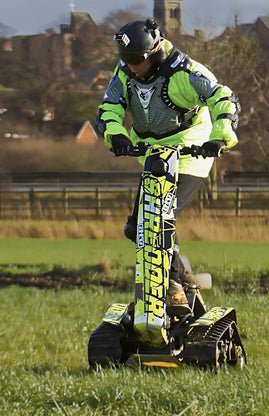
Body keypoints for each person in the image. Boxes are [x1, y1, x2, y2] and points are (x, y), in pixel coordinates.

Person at [95, 18, 240, 314]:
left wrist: (219, 137)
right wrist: (117, 134)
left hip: (190, 155)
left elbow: (222, 98)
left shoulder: (186, 73)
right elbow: (109, 107)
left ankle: (174, 288)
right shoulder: (125, 72)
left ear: (155, 50)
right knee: (138, 227)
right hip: (153, 156)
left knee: (158, 221)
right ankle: (184, 281)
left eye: (136, 59)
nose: (131, 66)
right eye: (125, 59)